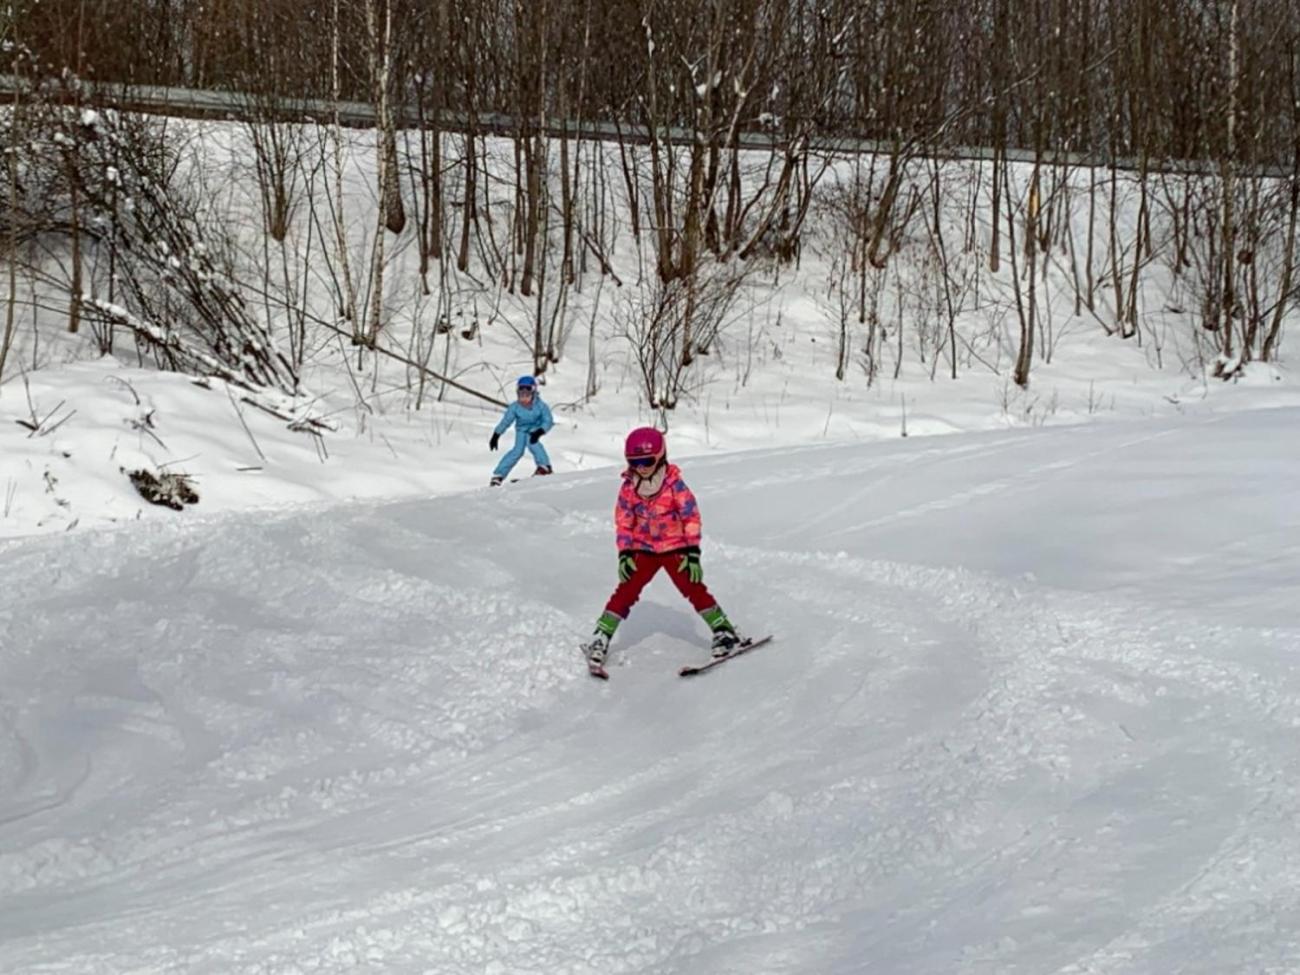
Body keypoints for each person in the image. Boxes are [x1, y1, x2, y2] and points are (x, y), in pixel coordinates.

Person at [583, 426, 741, 666]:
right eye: (635, 462)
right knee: (626, 591)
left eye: (647, 461)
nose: (642, 467)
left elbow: (691, 517)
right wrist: (625, 552)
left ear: (660, 457)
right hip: (643, 549)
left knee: (693, 587)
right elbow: (624, 521)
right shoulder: (629, 487)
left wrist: (692, 551)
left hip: (675, 548)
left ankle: (724, 630)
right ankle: (601, 636)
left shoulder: (674, 485)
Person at [489, 375, 554, 486]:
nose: (524, 399)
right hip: (521, 430)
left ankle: (545, 466)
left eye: (527, 395)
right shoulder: (515, 407)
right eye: (521, 395)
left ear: (533, 393)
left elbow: (548, 420)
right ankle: (498, 475)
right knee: (517, 451)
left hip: (535, 429)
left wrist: (540, 431)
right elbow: (506, 421)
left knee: (532, 443)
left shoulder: (541, 406)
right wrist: (496, 434)